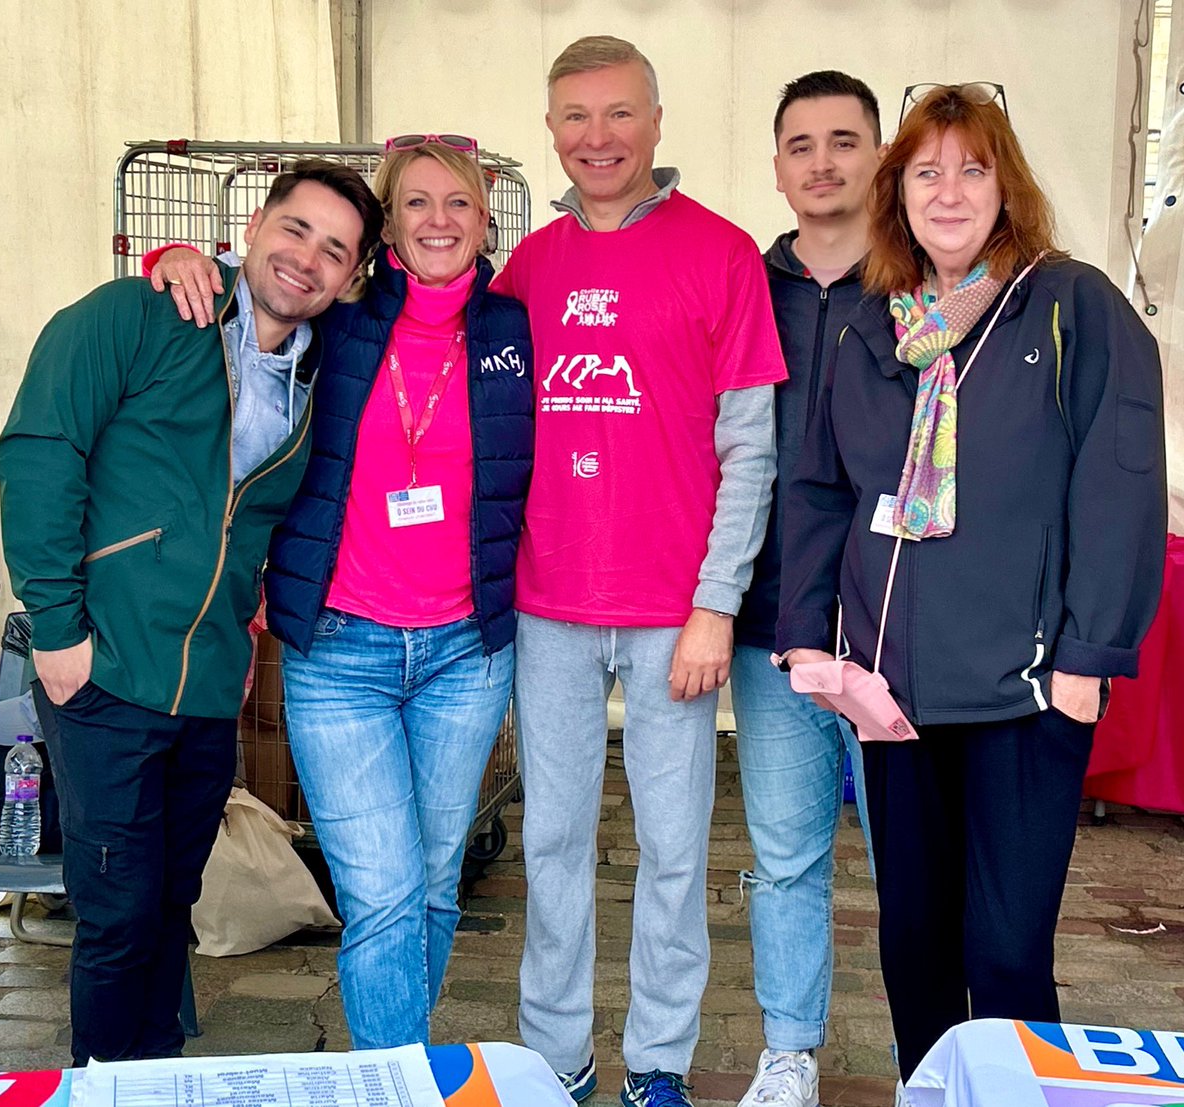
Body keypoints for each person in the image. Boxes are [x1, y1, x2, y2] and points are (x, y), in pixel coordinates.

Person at [775, 84, 1167, 1087]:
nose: (949, 191)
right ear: (896, 191)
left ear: (1008, 185)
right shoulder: (873, 322)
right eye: (926, 171)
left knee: (1003, 948)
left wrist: (1089, 657)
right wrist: (806, 635)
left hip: (1022, 694)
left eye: (973, 168)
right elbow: (819, 486)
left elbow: (1119, 491)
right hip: (892, 693)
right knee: (911, 942)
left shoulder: (1075, 307)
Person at [0, 159, 382, 1066]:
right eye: (296, 230)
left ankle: (153, 1076)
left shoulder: (315, 384)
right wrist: (56, 628)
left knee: (173, 900)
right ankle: (101, 1082)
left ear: (351, 275)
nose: (307, 259)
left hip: (206, 685)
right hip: (104, 666)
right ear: (253, 226)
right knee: (118, 908)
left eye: (336, 250)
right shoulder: (136, 317)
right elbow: (40, 456)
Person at [151, 137, 535, 1050]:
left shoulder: (518, 330)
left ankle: (394, 1055)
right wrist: (186, 261)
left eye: (459, 205)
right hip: (340, 653)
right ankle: (394, 1077)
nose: (439, 220)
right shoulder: (344, 321)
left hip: (466, 654)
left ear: (486, 223)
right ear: (387, 231)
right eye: (416, 204)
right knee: (385, 888)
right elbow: (259, 300)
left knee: (434, 881)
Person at [491, 35, 786, 1107]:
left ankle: (655, 1066)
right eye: (575, 116)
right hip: (549, 608)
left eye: (618, 114)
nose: (597, 137)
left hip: (675, 616)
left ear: (657, 123)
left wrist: (717, 603)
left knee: (671, 854)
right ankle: (555, 1062)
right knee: (556, 844)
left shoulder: (721, 252)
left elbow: (750, 445)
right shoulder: (529, 266)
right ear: (552, 129)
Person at [732, 70, 883, 1107]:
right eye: (801, 144)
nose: (822, 161)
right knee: (786, 857)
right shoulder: (741, 284)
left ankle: (951, 1045)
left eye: (844, 140)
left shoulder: (935, 283)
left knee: (921, 857)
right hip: (770, 624)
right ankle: (790, 1053)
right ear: (777, 164)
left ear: (879, 154)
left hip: (898, 633)